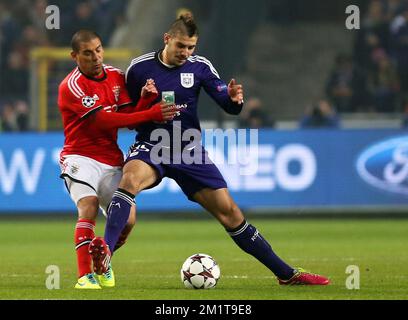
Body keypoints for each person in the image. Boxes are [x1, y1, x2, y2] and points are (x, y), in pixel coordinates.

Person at [89, 14, 330, 286]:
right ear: (167, 39)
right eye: (181, 46)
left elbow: (226, 103)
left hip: (188, 149)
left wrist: (235, 101)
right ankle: (106, 253)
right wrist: (145, 106)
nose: (186, 53)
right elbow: (128, 115)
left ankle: (286, 274)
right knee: (130, 180)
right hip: (152, 144)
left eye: (191, 47)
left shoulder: (200, 67)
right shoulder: (139, 69)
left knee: (231, 214)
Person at [58, 30, 175, 289]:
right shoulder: (72, 86)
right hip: (80, 156)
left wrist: (144, 101)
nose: (96, 57)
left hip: (111, 158)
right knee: (88, 205)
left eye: (98, 49)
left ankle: (104, 261)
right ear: (74, 56)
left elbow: (126, 115)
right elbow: (103, 120)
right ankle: (84, 277)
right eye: (87, 53)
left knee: (128, 219)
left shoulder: (114, 76)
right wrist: (150, 113)